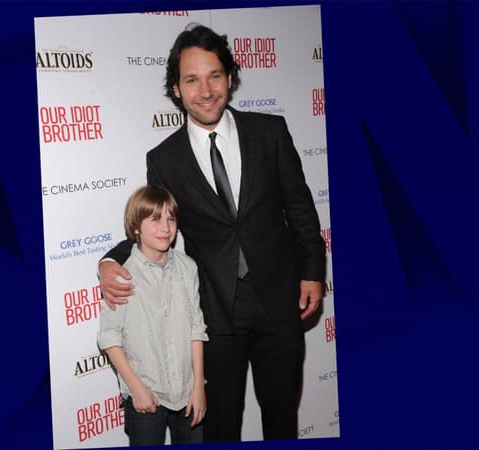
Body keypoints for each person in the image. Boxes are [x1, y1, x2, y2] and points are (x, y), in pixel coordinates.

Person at [99, 23, 326, 442]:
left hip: (280, 302)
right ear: (176, 89)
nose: (205, 90)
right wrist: (109, 260)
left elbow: (300, 208)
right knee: (221, 426)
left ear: (230, 78)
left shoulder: (269, 132)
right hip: (214, 314)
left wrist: (313, 271)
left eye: (215, 76)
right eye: (192, 80)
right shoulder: (164, 158)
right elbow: (152, 221)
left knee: (282, 417)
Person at [97, 185, 208, 447]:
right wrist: (136, 389)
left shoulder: (187, 267)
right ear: (136, 226)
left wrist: (199, 387)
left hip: (187, 391)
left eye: (171, 219)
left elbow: (196, 328)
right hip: (145, 393)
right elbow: (110, 336)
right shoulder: (122, 273)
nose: (165, 228)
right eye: (155, 219)